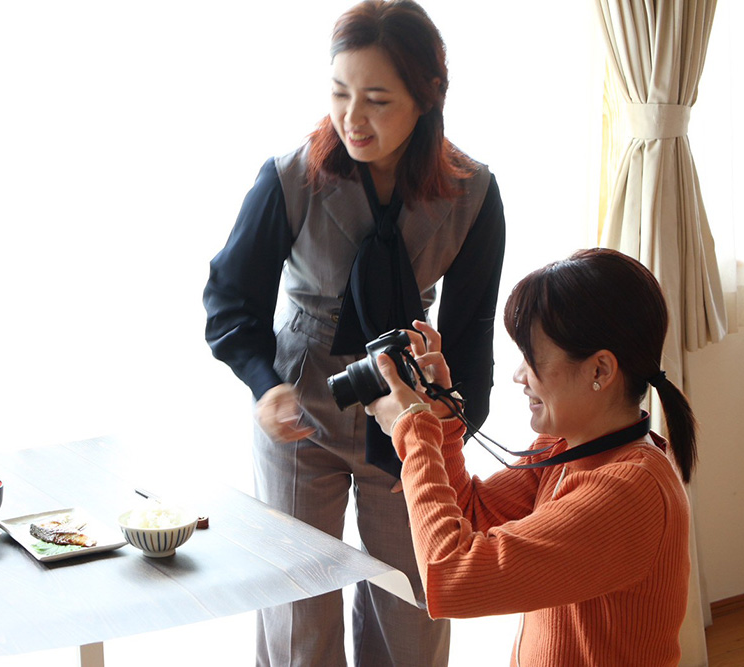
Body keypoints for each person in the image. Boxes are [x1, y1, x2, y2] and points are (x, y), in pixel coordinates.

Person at [202, 0, 505, 663]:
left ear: (428, 95)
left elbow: (471, 339)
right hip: (301, 406)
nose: (352, 118)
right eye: (340, 92)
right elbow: (229, 301)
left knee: (414, 604)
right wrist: (264, 385)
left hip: (408, 407)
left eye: (377, 99)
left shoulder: (473, 193)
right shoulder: (290, 178)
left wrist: (441, 442)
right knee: (297, 611)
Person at [364, 248, 696, 666]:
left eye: (532, 358)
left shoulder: (629, 493)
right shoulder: (567, 445)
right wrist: (443, 418)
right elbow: (473, 513)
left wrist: (413, 429)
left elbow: (451, 578)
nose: (518, 375)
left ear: (600, 371)